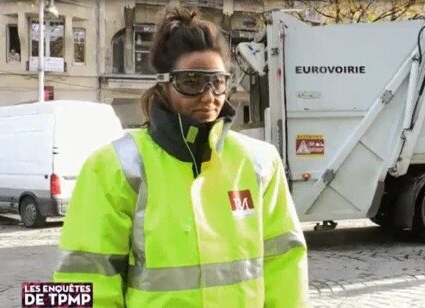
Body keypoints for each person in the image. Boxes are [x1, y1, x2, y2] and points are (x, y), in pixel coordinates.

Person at [52, 5, 309, 308]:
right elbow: (84, 278)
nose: (209, 95)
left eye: (218, 81)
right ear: (164, 83)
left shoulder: (260, 162)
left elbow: (285, 265)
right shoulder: (113, 167)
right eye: (191, 81)